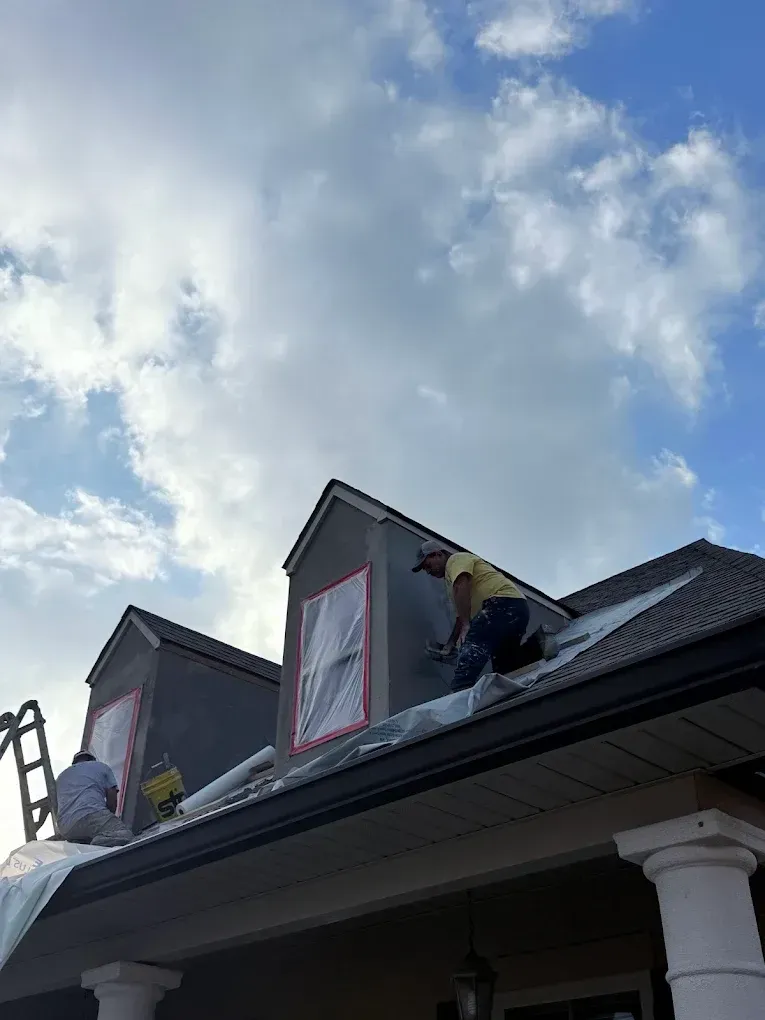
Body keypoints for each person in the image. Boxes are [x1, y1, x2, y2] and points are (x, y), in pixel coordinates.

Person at [412, 539, 548, 692]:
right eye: (425, 569)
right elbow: (461, 617)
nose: (428, 572)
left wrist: (466, 626)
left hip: (501, 604)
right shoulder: (452, 584)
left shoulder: (456, 560)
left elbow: (461, 586)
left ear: (437, 554)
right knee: (504, 667)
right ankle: (539, 643)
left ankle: (458, 691)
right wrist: (450, 645)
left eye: (428, 566)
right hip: (514, 610)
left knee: (473, 644)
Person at [55, 751, 134, 847]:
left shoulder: (61, 777)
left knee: (83, 845)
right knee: (125, 835)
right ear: (92, 760)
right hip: (91, 814)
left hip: (66, 827)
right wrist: (109, 818)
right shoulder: (100, 766)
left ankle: (83, 845)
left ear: (74, 763)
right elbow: (112, 798)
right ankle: (97, 843)